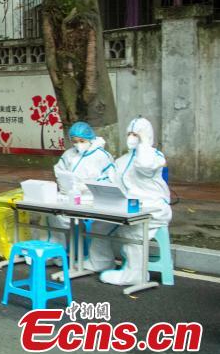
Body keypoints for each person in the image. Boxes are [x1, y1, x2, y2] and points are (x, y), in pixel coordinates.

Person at [95, 118, 172, 286]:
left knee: (132, 231)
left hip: (152, 209)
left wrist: (144, 143)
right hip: (127, 207)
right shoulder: (123, 160)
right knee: (99, 225)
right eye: (129, 134)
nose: (131, 138)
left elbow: (144, 166)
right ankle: (99, 261)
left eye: (136, 134)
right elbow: (109, 178)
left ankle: (135, 275)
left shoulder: (154, 156)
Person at [47, 121, 117, 250]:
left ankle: (75, 252)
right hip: (70, 196)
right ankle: (57, 251)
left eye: (82, 141)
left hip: (92, 199)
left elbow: (110, 179)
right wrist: (65, 184)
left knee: (91, 223)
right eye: (74, 141)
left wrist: (88, 186)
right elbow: (60, 171)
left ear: (90, 138)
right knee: (53, 215)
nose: (78, 144)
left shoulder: (101, 156)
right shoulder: (69, 154)